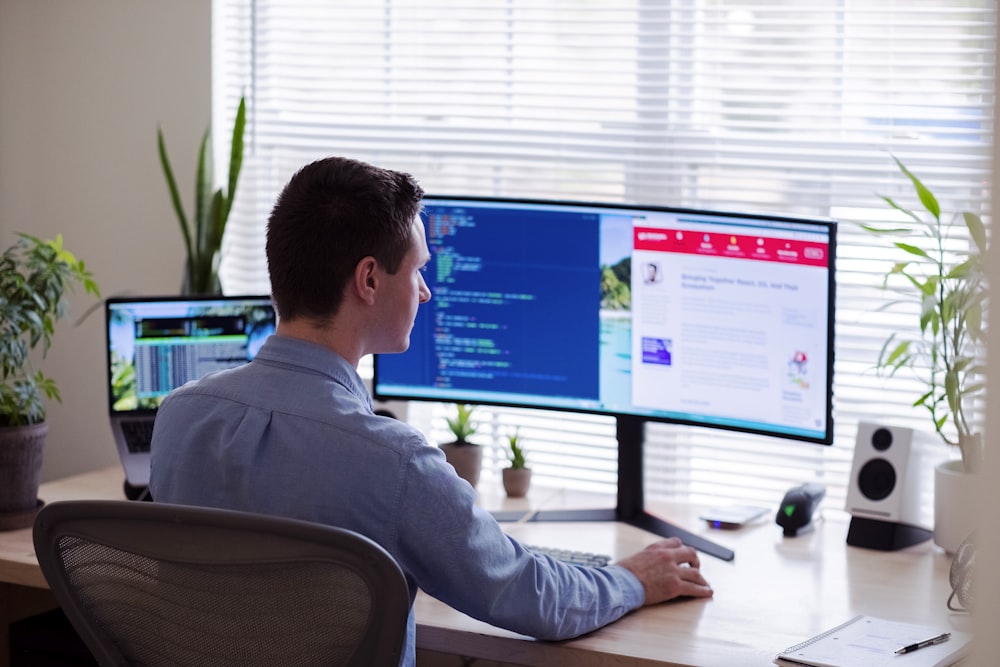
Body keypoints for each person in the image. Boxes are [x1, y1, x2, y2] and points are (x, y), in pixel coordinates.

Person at [149, 156, 712, 667]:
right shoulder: (392, 462)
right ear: (369, 279)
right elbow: (528, 595)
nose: (425, 293)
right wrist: (632, 580)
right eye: (417, 270)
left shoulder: (178, 418)